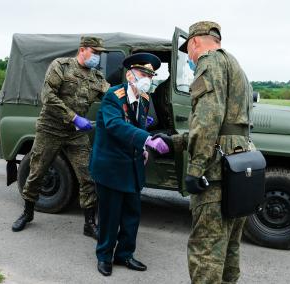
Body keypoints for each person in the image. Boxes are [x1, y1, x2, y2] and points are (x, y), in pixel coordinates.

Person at [155, 21, 254, 283]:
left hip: (217, 171)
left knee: (206, 251)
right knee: (229, 247)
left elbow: (208, 121)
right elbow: (226, 127)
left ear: (195, 42)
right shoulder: (236, 66)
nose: (190, 58)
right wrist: (175, 141)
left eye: (188, 51)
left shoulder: (209, 62)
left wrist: (196, 168)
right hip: (239, 165)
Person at [11, 36, 110, 240]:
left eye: (100, 53)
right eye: (95, 52)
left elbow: (112, 97)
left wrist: (134, 106)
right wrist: (74, 117)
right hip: (51, 129)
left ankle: (90, 224)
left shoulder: (97, 78)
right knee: (37, 172)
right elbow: (47, 96)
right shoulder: (61, 66)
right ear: (82, 49)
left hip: (76, 135)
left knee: (87, 178)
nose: (98, 57)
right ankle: (27, 213)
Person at [89, 53, 170, 276]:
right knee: (110, 216)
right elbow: (115, 125)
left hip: (132, 167)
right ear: (129, 74)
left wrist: (142, 147)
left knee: (131, 215)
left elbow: (140, 125)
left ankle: (125, 254)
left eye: (150, 75)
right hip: (111, 167)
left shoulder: (144, 99)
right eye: (143, 73)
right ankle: (104, 256)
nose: (147, 78)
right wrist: (146, 140)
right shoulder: (113, 97)